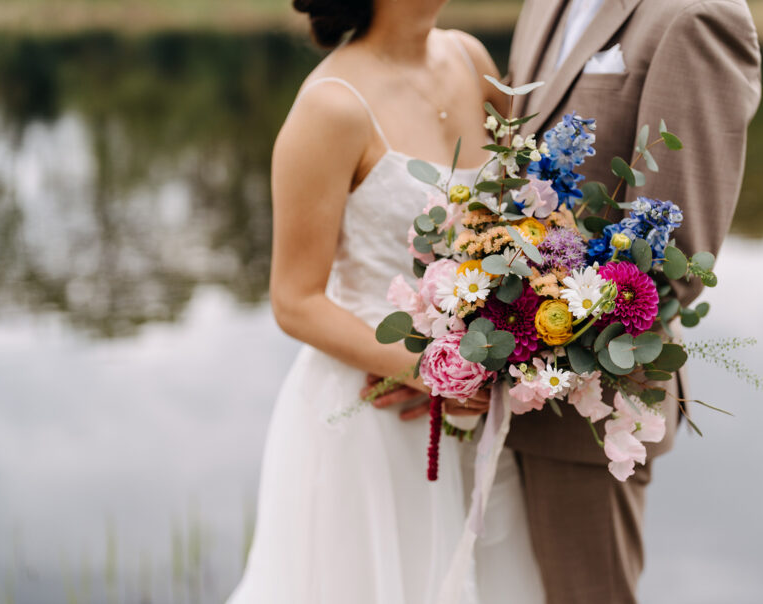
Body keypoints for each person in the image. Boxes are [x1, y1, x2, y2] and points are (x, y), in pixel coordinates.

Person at [227, 1, 544, 602]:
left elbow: (523, 218)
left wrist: (507, 350)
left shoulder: (470, 57)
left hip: (476, 415)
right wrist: (430, 371)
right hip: (374, 417)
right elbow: (294, 300)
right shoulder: (332, 105)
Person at [504, 0, 763, 602]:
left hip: (593, 410)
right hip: (500, 389)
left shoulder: (698, 16)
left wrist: (519, 323)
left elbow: (674, 258)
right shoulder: (542, 5)